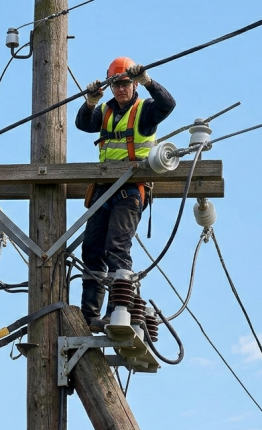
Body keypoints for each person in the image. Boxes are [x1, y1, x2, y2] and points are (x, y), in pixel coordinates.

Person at [75, 56, 177, 330]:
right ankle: (89, 316)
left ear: (134, 85)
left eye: (126, 84)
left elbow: (168, 105)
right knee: (92, 248)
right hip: (103, 189)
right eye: (117, 85)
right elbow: (83, 124)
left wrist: (148, 80)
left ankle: (116, 311)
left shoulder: (145, 110)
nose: (121, 89)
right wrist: (91, 100)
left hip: (131, 188)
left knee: (117, 248)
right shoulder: (106, 111)